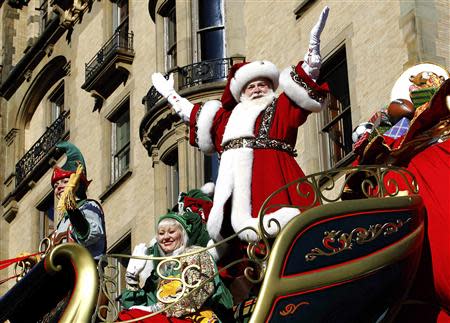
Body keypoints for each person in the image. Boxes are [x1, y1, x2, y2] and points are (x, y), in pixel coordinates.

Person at [151, 7, 331, 243]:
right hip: (234, 190)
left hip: (274, 178)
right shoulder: (226, 119)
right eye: (251, 86)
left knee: (287, 227)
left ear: (271, 88)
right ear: (242, 92)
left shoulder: (278, 108)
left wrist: (313, 48)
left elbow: (304, 82)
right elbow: (192, 114)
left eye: (262, 85)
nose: (257, 90)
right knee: (232, 242)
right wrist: (171, 95)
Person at [118, 188, 233, 322]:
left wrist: (155, 309)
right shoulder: (161, 270)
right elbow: (139, 307)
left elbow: (196, 295)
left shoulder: (196, 254)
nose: (165, 237)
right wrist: (132, 279)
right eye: (161, 233)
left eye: (171, 231)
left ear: (182, 234)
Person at [50, 141, 106, 261]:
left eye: (65, 182)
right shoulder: (62, 221)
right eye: (55, 186)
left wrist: (73, 211)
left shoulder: (89, 206)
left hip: (85, 273)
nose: (58, 187)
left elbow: (92, 234)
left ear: (76, 183)